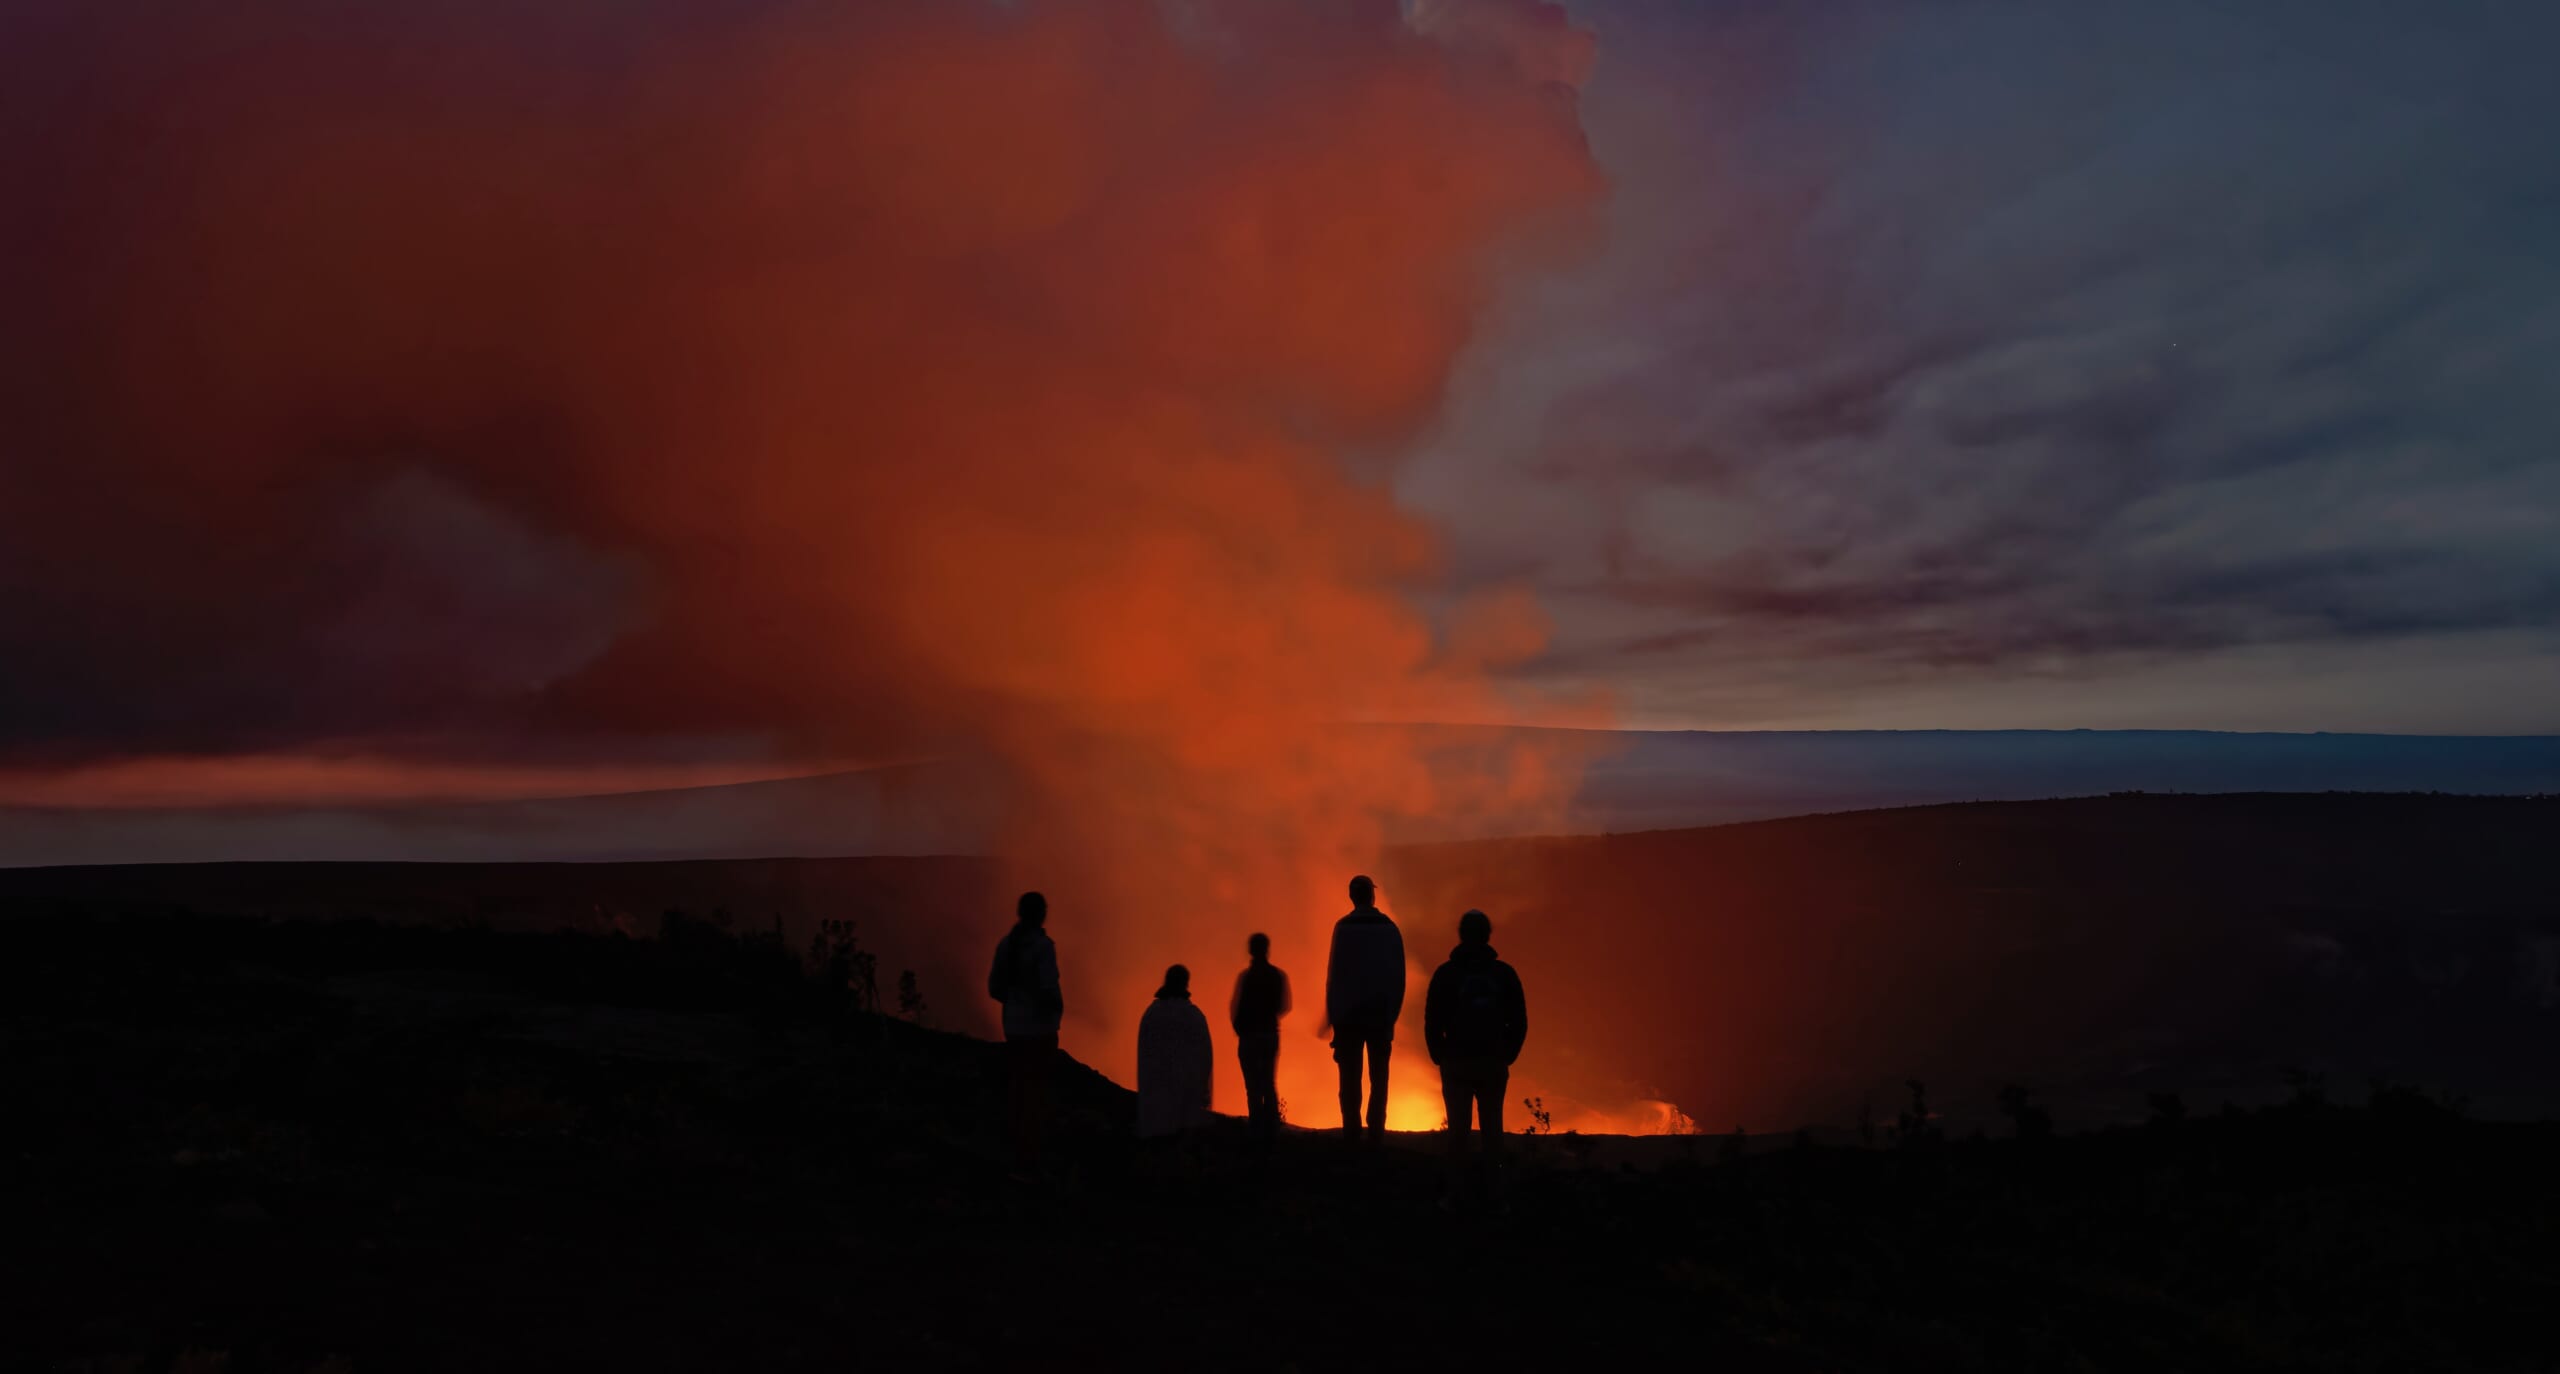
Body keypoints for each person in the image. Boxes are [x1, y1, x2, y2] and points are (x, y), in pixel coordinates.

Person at [1424, 908, 1528, 1180]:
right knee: (1493, 1133)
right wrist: (1507, 1054)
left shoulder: (1445, 974)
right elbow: (1519, 1020)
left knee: (1458, 1134)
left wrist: (1439, 1054)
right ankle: (1495, 1197)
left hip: (1456, 1062)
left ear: (1461, 935)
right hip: (1492, 1062)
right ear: (1487, 936)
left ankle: (1458, 1196)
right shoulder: (1504, 975)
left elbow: (1432, 1018)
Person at [1324, 874, 1405, 1143]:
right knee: (1379, 1078)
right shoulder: (1389, 928)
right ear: (1372, 895)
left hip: (1348, 1019)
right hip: (1380, 1017)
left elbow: (1334, 976)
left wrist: (1335, 1018)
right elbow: (1398, 976)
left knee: (1349, 1079)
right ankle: (1376, 1134)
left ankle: (1351, 1132)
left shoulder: (1343, 928)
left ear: (1352, 896)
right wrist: (1391, 1015)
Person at [986, 890, 1062, 1176]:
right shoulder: (1042, 948)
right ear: (1041, 913)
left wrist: (1016, 1002)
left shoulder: (1007, 945)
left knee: (1019, 1086)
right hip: (1040, 1030)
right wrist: (1051, 1009)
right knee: (1039, 1090)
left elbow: (994, 988)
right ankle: (1033, 1156)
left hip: (1015, 1029)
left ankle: (1016, 1148)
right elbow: (1048, 988)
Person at [1137, 964, 1214, 1140]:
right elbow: (1205, 1057)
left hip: (1156, 1102)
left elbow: (1145, 1056)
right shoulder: (1193, 1016)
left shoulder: (1152, 1014)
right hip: (1185, 1103)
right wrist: (1202, 1090)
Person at [1229, 933, 1292, 1144]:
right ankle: (1272, 1130)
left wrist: (1240, 1028)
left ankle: (1256, 1128)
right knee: (1268, 1082)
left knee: (1252, 1085)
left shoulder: (1245, 977)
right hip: (1269, 1035)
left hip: (1249, 1036)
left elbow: (1236, 1006)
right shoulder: (1277, 976)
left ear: (1251, 950)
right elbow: (1285, 1005)